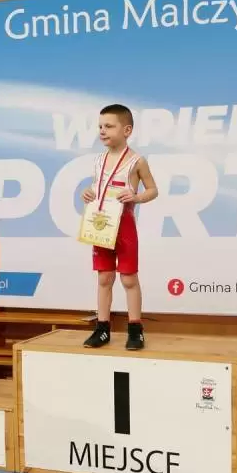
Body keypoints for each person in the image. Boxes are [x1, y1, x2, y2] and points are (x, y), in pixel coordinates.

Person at [81, 104, 158, 350]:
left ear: (127, 130)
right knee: (104, 277)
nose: (102, 131)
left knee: (128, 278)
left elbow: (153, 190)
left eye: (109, 126)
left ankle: (135, 330)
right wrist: (88, 193)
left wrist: (137, 197)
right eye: (100, 126)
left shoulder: (137, 161)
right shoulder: (98, 160)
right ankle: (102, 328)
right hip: (101, 223)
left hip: (124, 226)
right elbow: (98, 188)